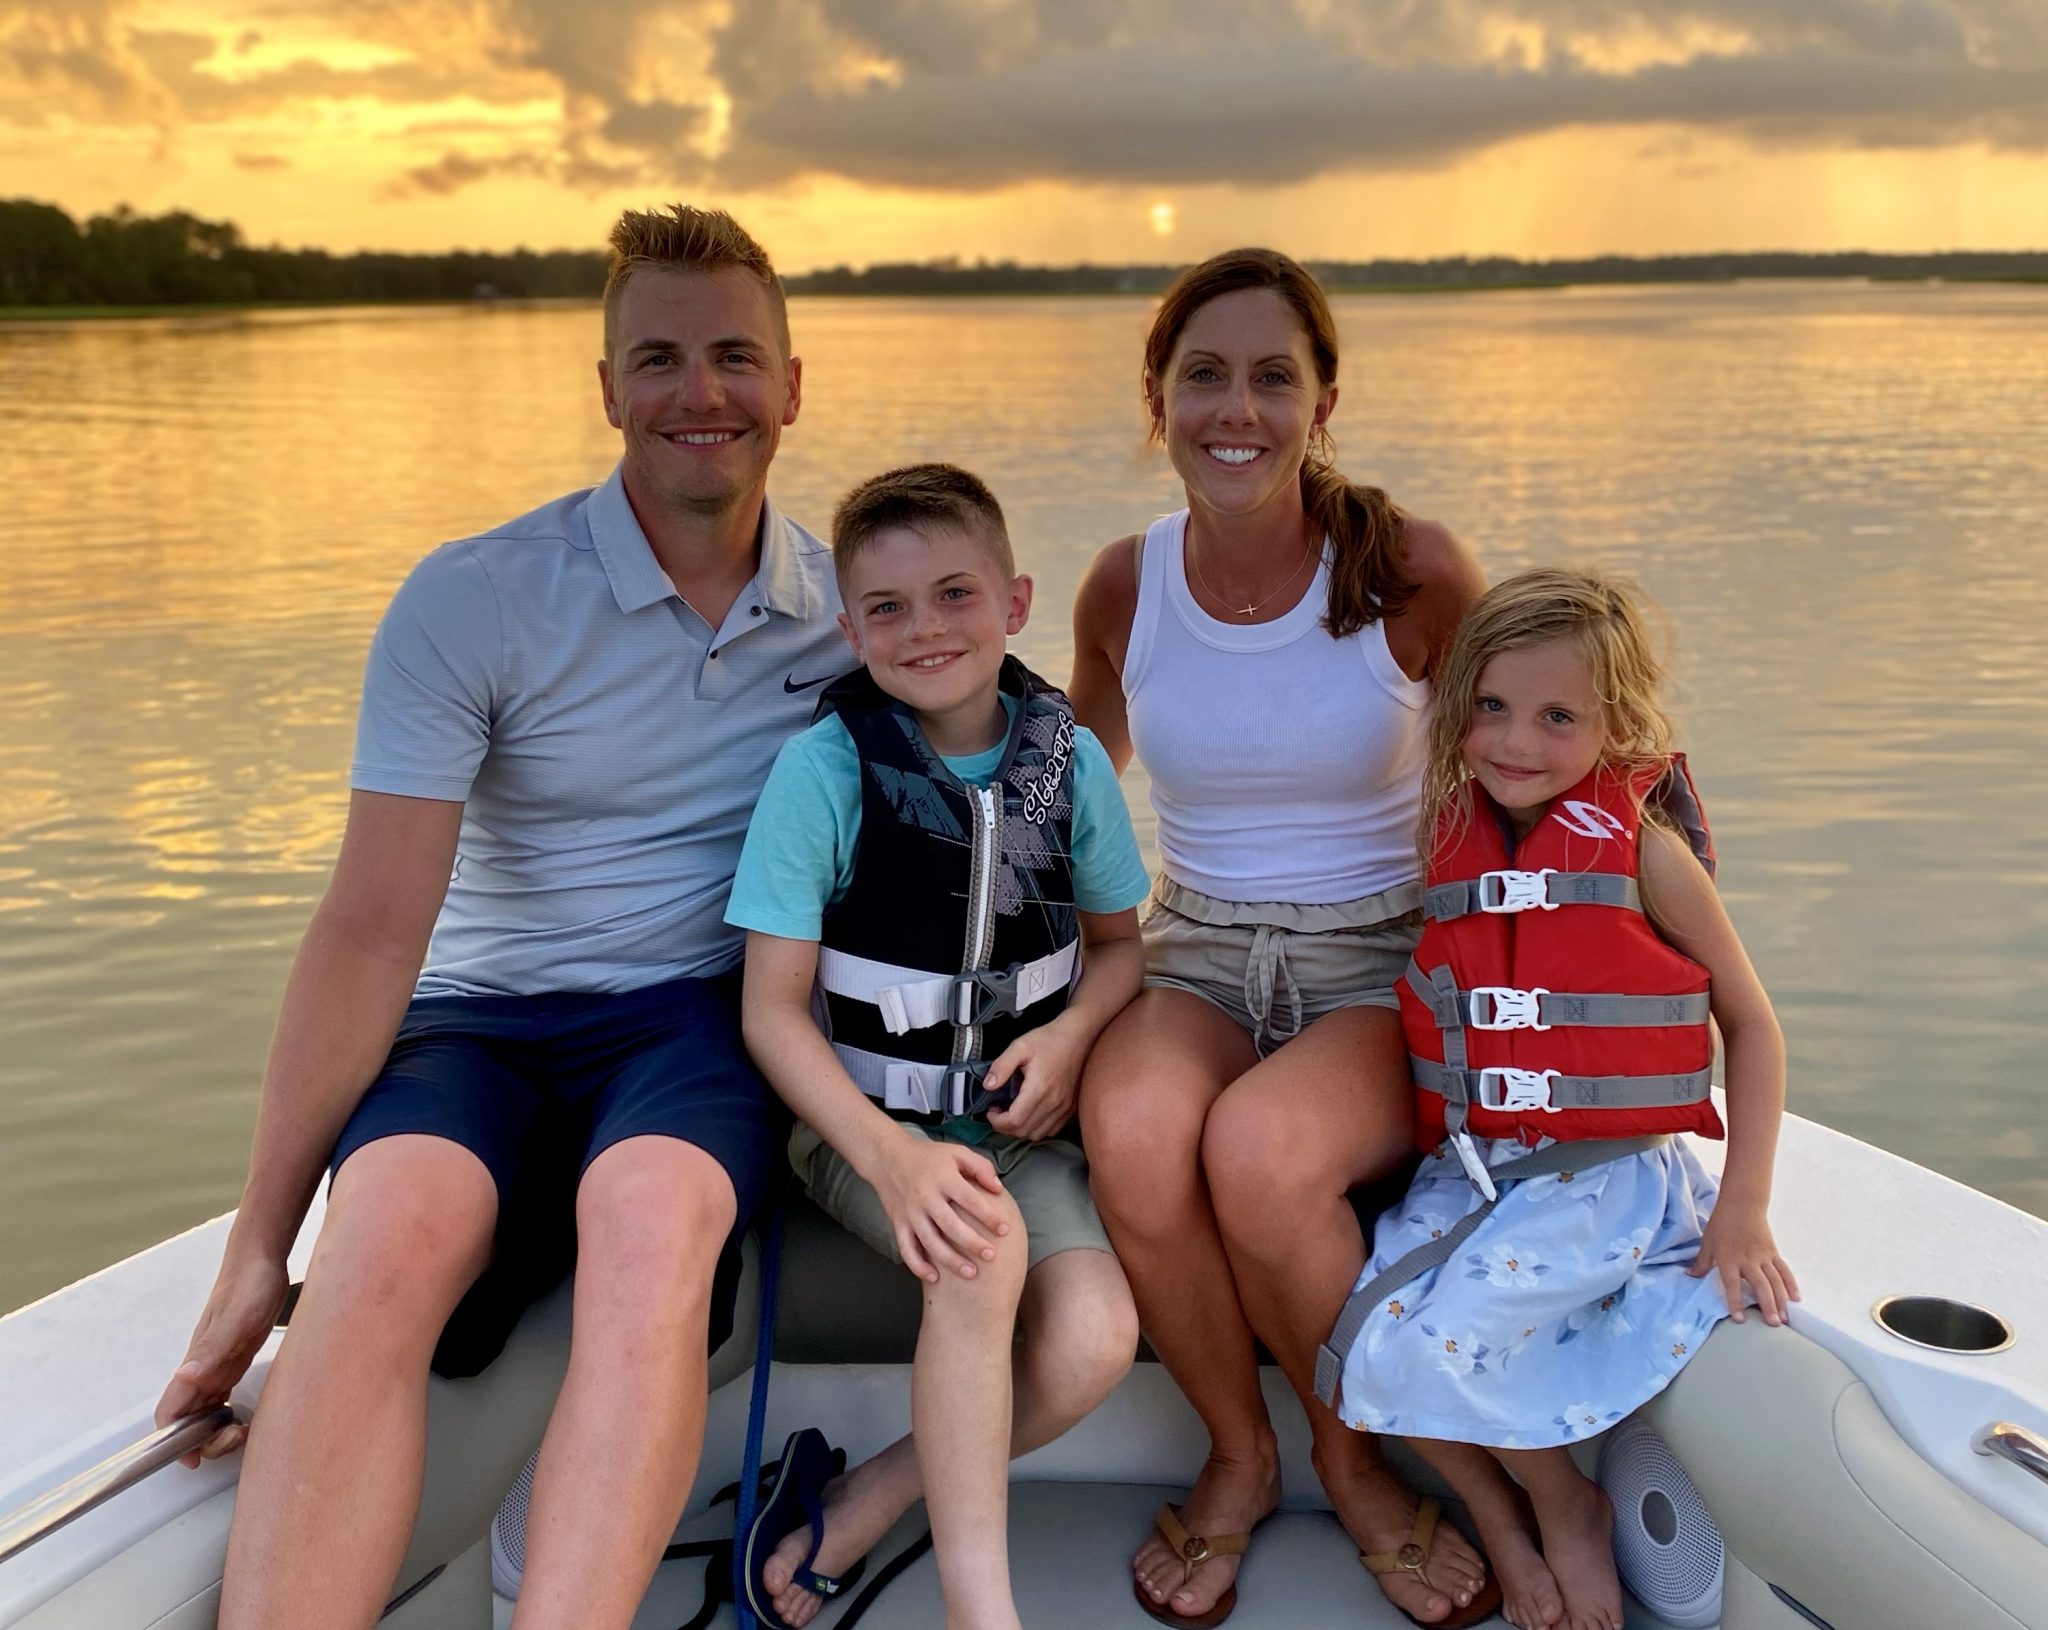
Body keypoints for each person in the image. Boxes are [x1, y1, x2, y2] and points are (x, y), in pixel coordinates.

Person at [150, 205, 851, 1630]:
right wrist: (253, 1245)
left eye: (733, 356)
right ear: (607, 390)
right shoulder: (473, 600)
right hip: (478, 1012)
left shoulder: (856, 617)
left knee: (651, 1219)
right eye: (657, 358)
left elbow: (1015, 770)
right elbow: (367, 931)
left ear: (793, 381)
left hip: (690, 1022)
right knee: (395, 1221)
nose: (699, 393)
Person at [1070, 246, 1507, 1630]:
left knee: (1259, 1150)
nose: (1235, 409)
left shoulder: (1413, 571)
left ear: (1325, 401)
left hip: (1377, 958)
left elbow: (1519, 785)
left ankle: (1349, 1455)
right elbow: (1069, 802)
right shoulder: (1123, 585)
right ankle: (1240, 1450)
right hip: (1193, 944)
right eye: (1204, 375)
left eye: (1273, 376)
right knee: (1134, 1126)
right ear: (1158, 396)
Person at [1323, 567, 1797, 1630]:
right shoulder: (1447, 831)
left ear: (1614, 722)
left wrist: (1743, 1207)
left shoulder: (1642, 849)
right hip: (1477, 1169)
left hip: (1601, 1177)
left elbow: (1753, 1026)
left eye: (1554, 717)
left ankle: (1563, 1511)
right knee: (1365, 1344)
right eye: (1487, 707)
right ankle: (1536, 1503)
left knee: (1450, 1336)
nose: (1512, 742)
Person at [731, 463, 1147, 1630]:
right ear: (848, 624)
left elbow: (1121, 951)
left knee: (1096, 1337)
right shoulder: (822, 773)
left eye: (955, 594)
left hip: (1025, 1127)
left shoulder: (1070, 764)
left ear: (1014, 602)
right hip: (862, 1127)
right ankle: (981, 1607)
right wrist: (888, 1155)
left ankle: (870, 1493)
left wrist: (1068, 1038)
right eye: (888, 608)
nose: (925, 630)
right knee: (980, 1250)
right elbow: (770, 1011)